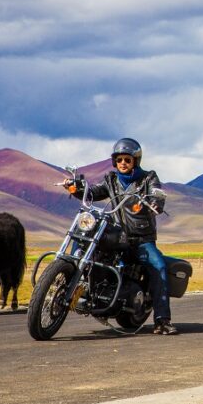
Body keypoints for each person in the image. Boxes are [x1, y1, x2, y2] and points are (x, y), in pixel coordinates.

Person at [63, 138, 175, 334]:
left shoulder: (148, 178)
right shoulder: (111, 179)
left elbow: (156, 192)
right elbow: (95, 192)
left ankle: (162, 320)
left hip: (141, 239)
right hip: (118, 236)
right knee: (89, 245)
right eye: (119, 159)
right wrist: (77, 188)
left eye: (127, 160)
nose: (123, 163)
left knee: (158, 266)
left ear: (135, 161)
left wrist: (155, 202)